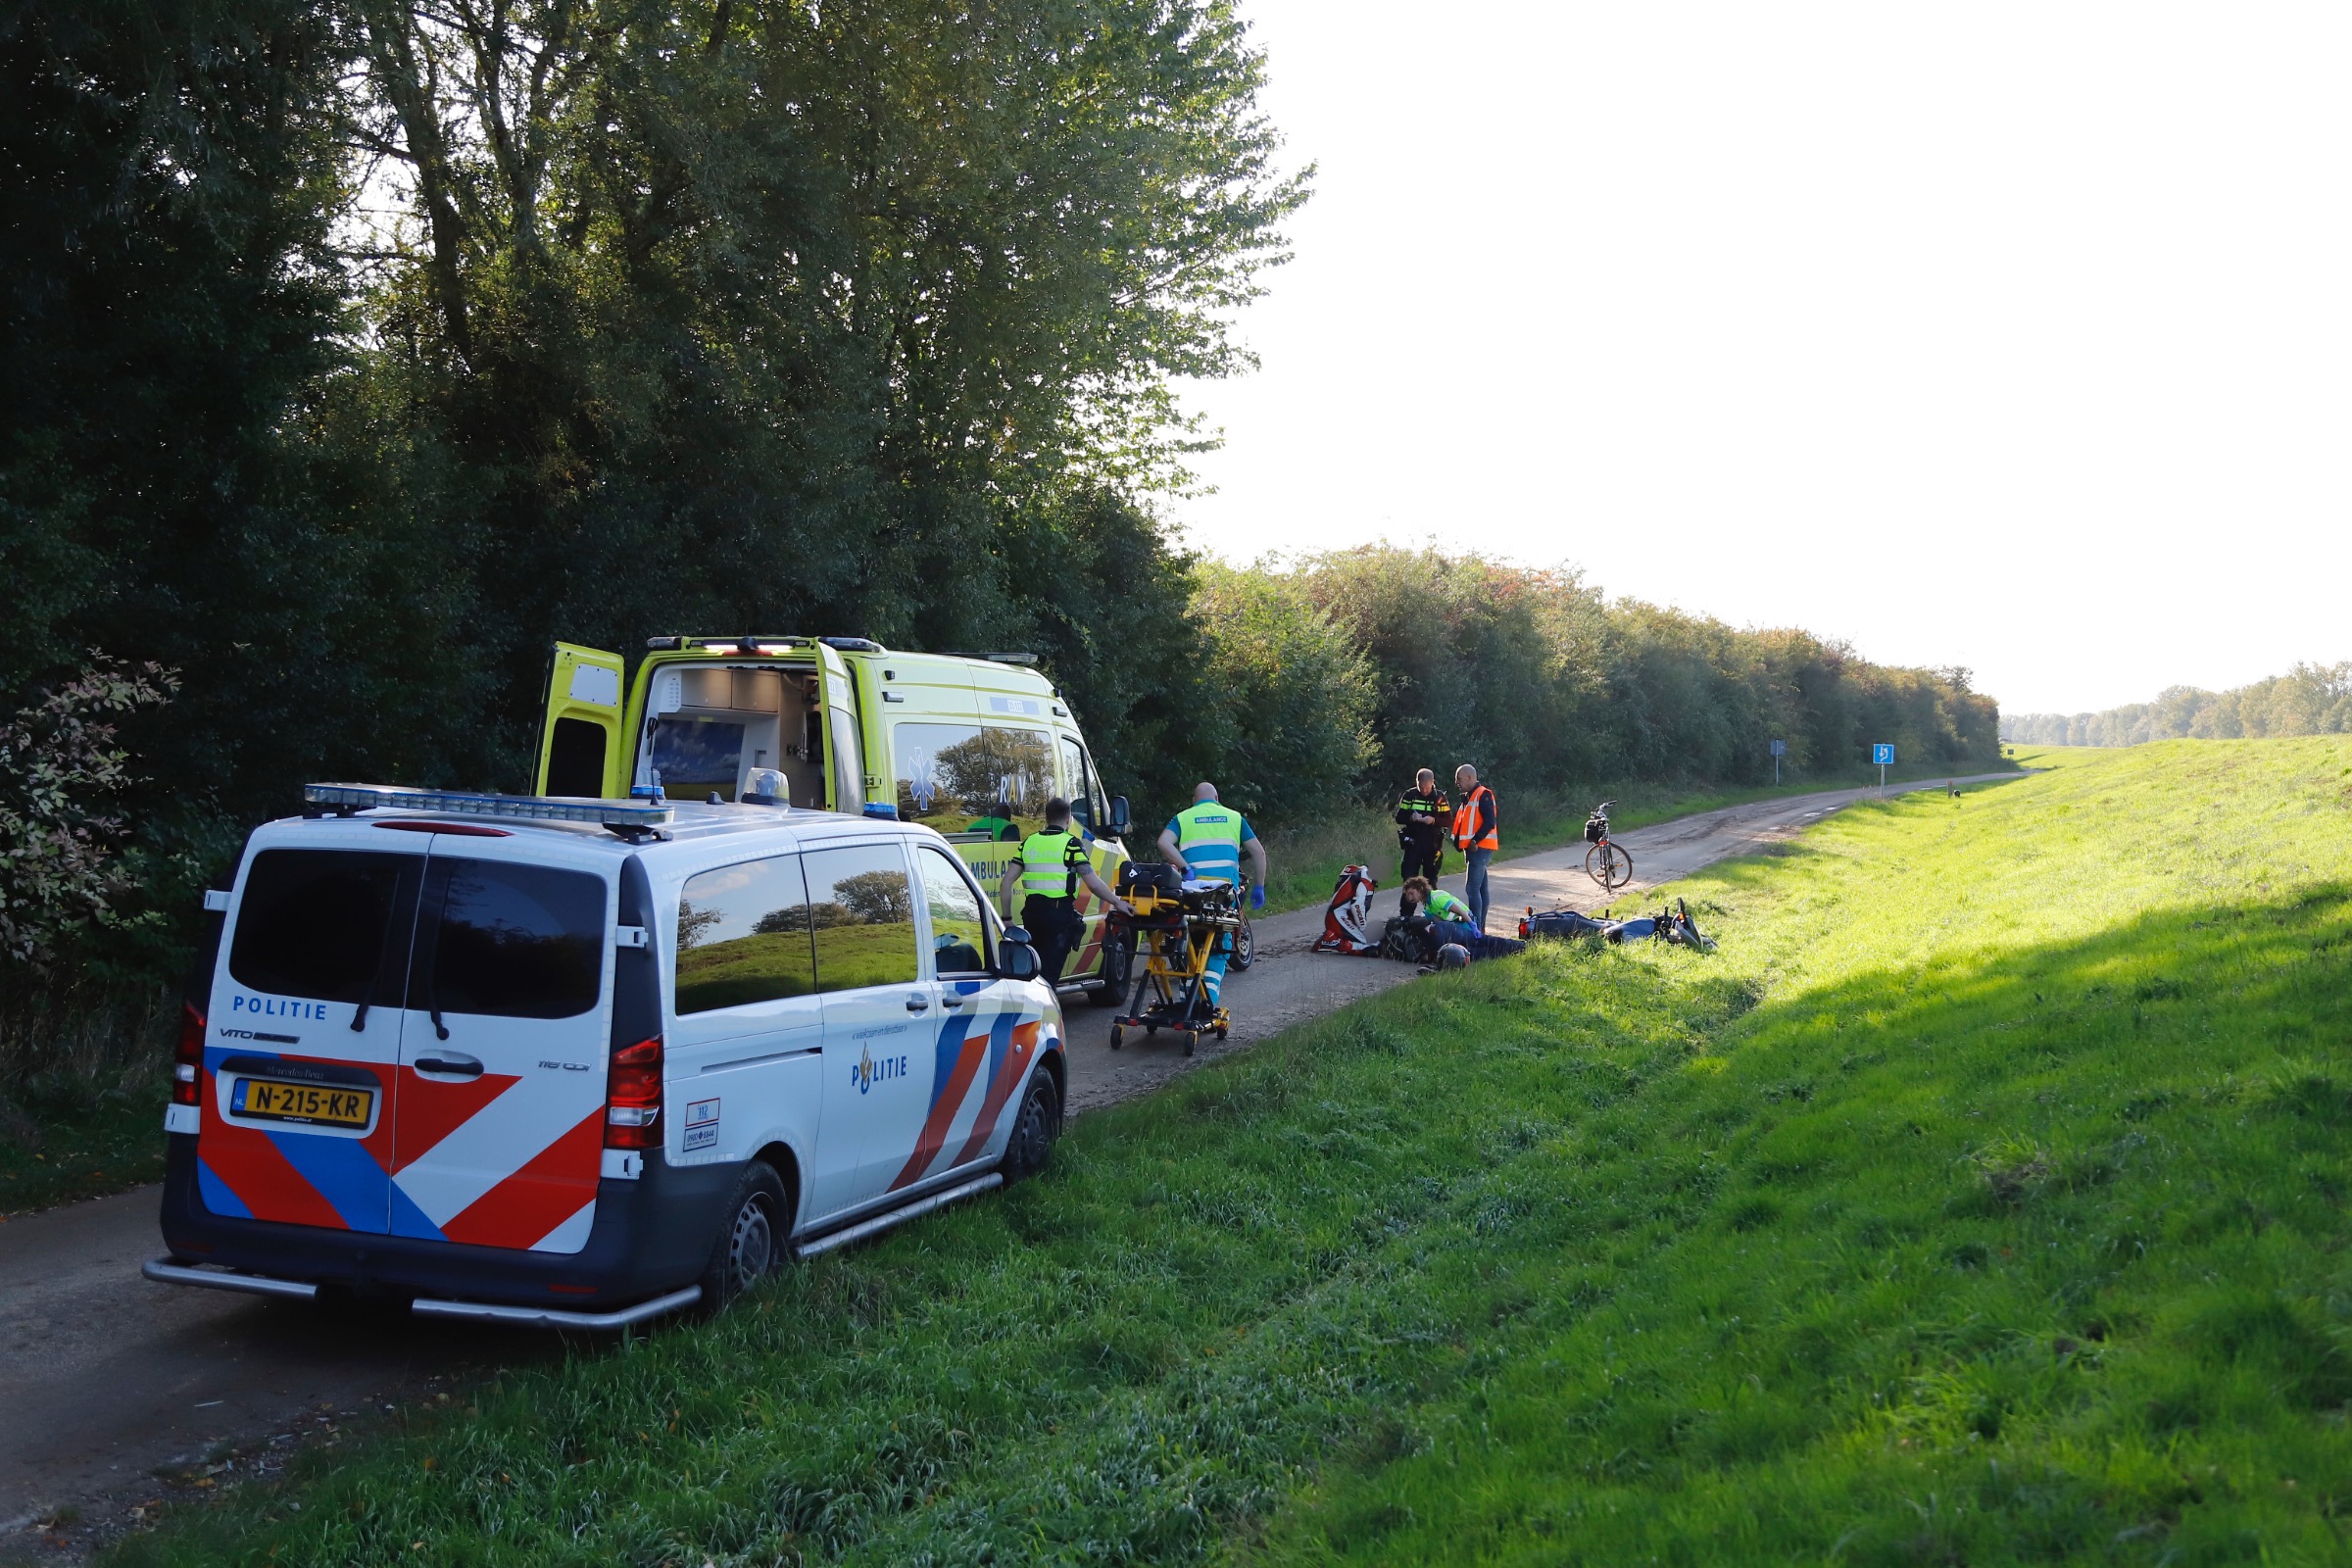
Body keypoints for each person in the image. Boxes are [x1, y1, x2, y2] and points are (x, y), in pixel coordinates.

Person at [1156, 782, 1269, 1005]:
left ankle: (1185, 1002)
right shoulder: (1234, 818)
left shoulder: (1183, 817)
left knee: (1189, 946)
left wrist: (1185, 867)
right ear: (1217, 797)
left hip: (1191, 896)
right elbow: (1258, 851)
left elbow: (1163, 843)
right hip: (1224, 897)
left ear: (1194, 800)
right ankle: (1207, 1002)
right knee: (1219, 948)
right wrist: (1259, 886)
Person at [1000, 797, 1130, 984]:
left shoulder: (1029, 843)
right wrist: (1118, 902)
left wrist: (1007, 919)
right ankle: (1046, 1009)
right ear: (1069, 818)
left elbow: (1006, 883)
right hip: (1058, 916)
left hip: (1032, 915)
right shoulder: (1071, 844)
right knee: (1049, 977)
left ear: (1046, 818)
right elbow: (1093, 884)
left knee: (1034, 973)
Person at [1393, 768, 1449, 913]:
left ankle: (1434, 916)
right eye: (1421, 787)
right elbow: (1399, 817)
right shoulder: (1410, 795)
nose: (1424, 790)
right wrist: (1411, 817)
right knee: (1409, 881)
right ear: (1417, 783)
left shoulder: (1440, 797)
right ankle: (1406, 917)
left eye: (1427, 787)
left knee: (1430, 883)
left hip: (1432, 844)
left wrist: (1434, 820)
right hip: (1413, 844)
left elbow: (1449, 820)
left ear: (1433, 783)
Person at [1450, 763, 1499, 932]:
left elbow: (1489, 822)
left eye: (1459, 778)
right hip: (1475, 849)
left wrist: (1475, 841)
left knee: (1472, 889)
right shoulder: (1470, 796)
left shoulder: (1483, 794)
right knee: (1481, 889)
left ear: (1470, 777)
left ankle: (1475, 929)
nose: (1457, 782)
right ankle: (1480, 928)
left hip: (1480, 848)